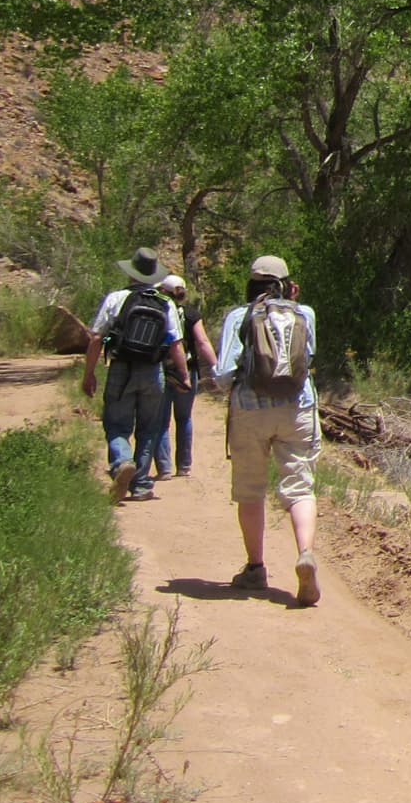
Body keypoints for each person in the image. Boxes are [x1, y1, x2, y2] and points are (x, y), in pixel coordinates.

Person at [207, 254, 322, 605]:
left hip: (250, 409)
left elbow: (223, 374)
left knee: (250, 490)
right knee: (300, 486)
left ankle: (256, 567)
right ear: (288, 283)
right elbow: (310, 356)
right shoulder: (305, 314)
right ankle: (305, 552)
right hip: (297, 408)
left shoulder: (239, 316)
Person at [83, 247, 188, 503]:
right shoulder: (166, 303)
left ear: (131, 273)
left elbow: (98, 338)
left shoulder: (116, 299)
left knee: (117, 424)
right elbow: (175, 344)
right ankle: (140, 485)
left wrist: (89, 374)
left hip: (121, 368)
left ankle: (121, 462)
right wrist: (183, 375)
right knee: (149, 428)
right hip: (153, 371)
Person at [146, 274, 215, 479]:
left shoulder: (158, 312)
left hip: (163, 371)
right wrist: (216, 367)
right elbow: (202, 342)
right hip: (188, 370)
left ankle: (164, 467)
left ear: (164, 292)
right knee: (184, 417)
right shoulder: (192, 314)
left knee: (161, 420)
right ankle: (184, 465)